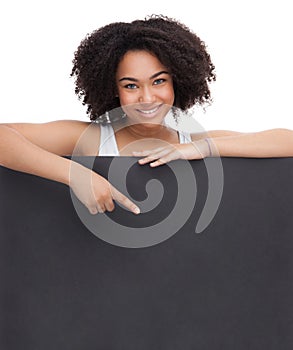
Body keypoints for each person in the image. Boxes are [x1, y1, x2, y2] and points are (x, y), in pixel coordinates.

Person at [0, 15, 292, 216]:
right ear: (112, 90)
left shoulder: (192, 141)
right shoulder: (90, 138)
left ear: (178, 80)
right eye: (131, 85)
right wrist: (75, 174)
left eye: (159, 81)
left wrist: (201, 147)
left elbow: (286, 141)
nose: (147, 98)